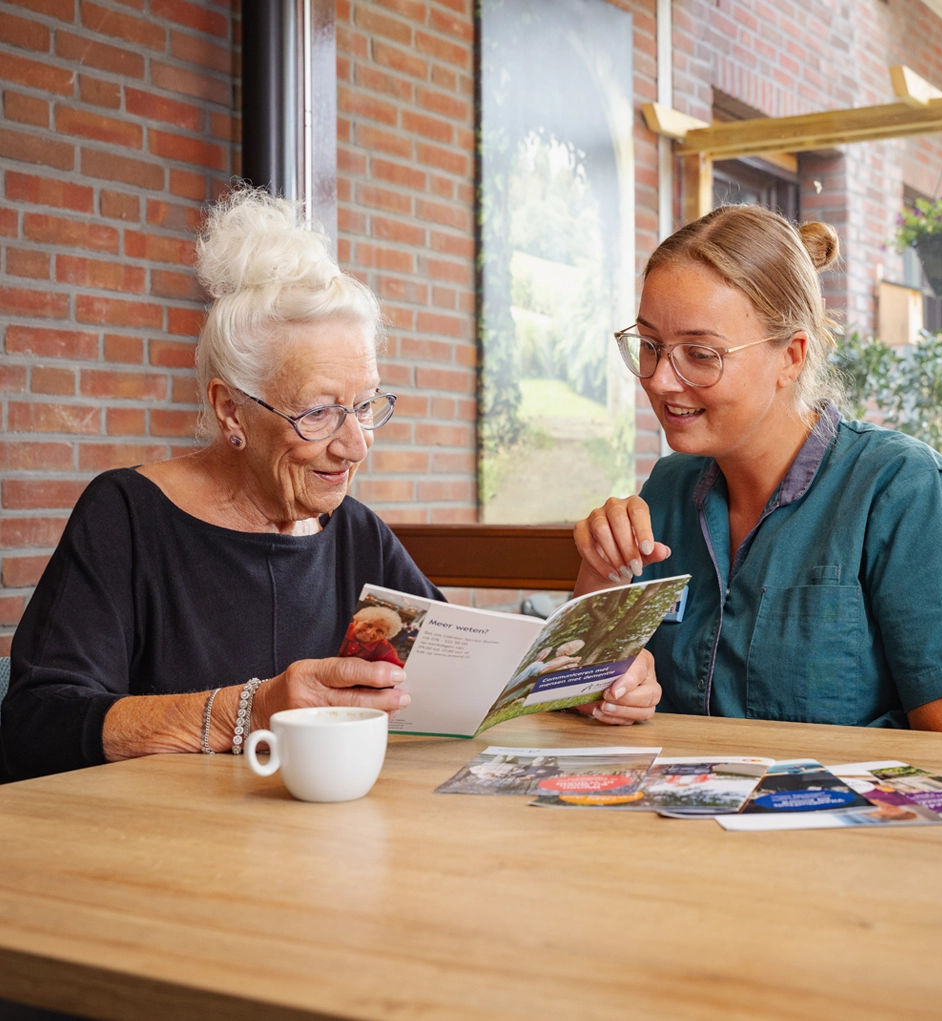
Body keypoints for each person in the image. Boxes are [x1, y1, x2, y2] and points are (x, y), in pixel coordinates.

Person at [1, 188, 658, 781]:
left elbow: (464, 683)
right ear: (232, 410)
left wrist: (593, 679)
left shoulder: (353, 533)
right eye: (318, 413)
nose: (355, 444)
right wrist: (248, 710)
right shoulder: (128, 517)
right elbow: (34, 726)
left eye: (366, 405)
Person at [573, 204, 942, 736]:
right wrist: (603, 603)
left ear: (791, 356)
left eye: (699, 353)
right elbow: (584, 689)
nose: (661, 380)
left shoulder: (914, 497)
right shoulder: (668, 490)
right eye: (650, 345)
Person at [339, 606, 405, 666]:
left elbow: (398, 669)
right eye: (368, 625)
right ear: (356, 621)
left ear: (385, 636)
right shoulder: (339, 628)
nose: (369, 633)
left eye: (379, 631)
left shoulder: (385, 650)